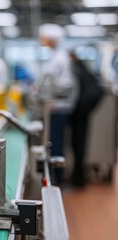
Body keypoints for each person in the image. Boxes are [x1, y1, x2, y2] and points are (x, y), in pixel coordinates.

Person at [38, 23, 77, 185]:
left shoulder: (59, 57)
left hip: (59, 108)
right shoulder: (58, 55)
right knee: (55, 142)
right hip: (58, 107)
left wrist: (43, 91)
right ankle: (56, 177)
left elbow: (56, 82)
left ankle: (57, 178)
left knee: (56, 144)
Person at [69, 52, 103, 187]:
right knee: (78, 145)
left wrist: (83, 107)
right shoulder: (83, 70)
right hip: (81, 113)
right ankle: (77, 177)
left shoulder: (78, 71)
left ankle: (79, 179)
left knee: (78, 145)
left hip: (80, 114)